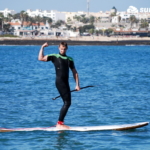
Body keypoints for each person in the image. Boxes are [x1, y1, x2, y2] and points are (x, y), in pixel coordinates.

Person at [38, 42, 80, 129]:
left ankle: (60, 123)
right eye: (61, 49)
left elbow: (74, 72)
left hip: (66, 82)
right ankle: (60, 123)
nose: (63, 50)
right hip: (60, 82)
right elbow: (40, 58)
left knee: (67, 103)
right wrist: (42, 47)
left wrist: (77, 85)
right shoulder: (54, 56)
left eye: (64, 49)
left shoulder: (70, 59)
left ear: (66, 49)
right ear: (58, 48)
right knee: (67, 103)